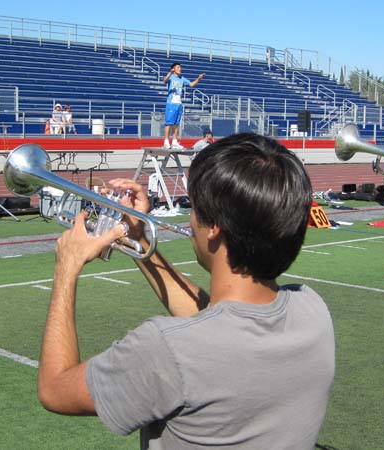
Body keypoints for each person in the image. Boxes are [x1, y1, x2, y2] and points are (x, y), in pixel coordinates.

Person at [36, 133, 335, 449]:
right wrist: (139, 241)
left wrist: (66, 269)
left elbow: (54, 389)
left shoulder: (165, 348)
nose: (190, 219)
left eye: (194, 207)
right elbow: (220, 327)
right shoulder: (312, 310)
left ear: (215, 227)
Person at [162, 62, 205, 149]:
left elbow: (192, 84)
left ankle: (174, 141)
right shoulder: (171, 76)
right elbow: (165, 80)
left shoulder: (182, 78)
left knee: (176, 124)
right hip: (171, 103)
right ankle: (166, 141)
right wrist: (170, 72)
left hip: (179, 103)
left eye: (180, 67)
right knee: (169, 123)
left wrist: (199, 79)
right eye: (178, 67)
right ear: (174, 69)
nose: (180, 69)